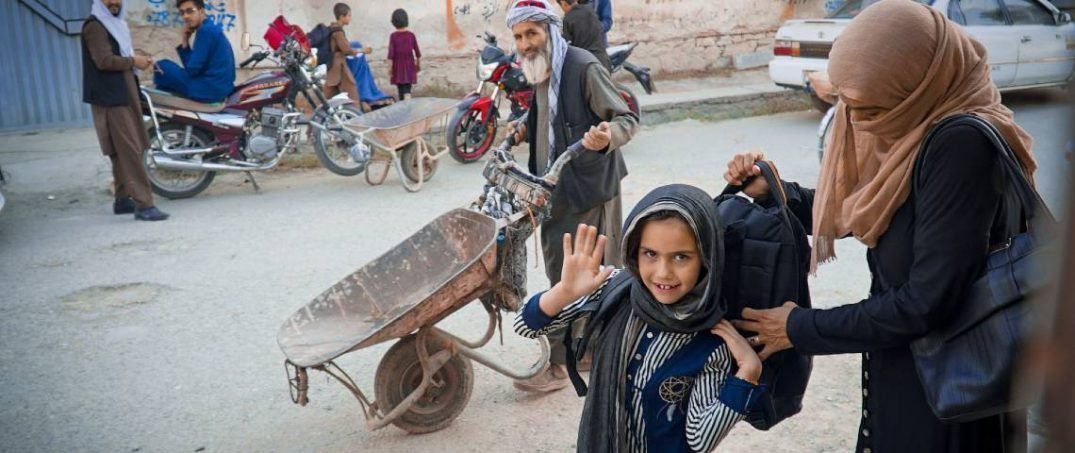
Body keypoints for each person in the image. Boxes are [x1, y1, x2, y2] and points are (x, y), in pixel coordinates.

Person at [723, 1, 1036, 451]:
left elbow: (926, 302)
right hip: (907, 370)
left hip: (952, 389)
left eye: (869, 109)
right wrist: (775, 190)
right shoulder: (917, 129)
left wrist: (799, 328)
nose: (856, 120)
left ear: (915, 88)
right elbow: (868, 211)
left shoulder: (959, 144)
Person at [514, 185, 764, 452]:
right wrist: (563, 293)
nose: (663, 272)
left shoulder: (711, 338)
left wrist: (748, 374)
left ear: (706, 259)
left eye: (681, 257)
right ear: (635, 251)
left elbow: (700, 440)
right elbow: (525, 326)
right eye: (650, 254)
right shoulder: (614, 290)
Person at [505, 0, 638, 393]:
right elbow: (548, 119)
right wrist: (521, 129)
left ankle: (561, 365)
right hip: (554, 187)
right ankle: (588, 350)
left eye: (532, 33)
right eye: (518, 36)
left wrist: (606, 136)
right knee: (563, 268)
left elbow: (626, 118)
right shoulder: (541, 68)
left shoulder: (581, 65)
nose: (526, 43)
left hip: (590, 188)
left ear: (550, 31)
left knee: (582, 273)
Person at [82, 0, 169, 221]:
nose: (114, 2)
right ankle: (144, 204)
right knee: (129, 149)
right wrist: (134, 61)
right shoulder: (95, 26)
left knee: (122, 150)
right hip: (111, 98)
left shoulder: (114, 24)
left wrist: (133, 60)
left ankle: (122, 200)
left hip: (122, 94)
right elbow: (104, 60)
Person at [153, 0, 235, 103]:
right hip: (219, 88)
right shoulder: (211, 28)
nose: (185, 16)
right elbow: (195, 68)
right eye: (182, 13)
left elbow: (192, 70)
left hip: (210, 90)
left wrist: (184, 41)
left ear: (201, 11)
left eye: (190, 11)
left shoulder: (205, 31)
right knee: (168, 71)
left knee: (161, 66)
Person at [323, 3, 372, 111]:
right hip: (338, 65)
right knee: (351, 87)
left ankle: (327, 112)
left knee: (330, 92)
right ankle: (356, 114)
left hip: (333, 65)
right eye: (349, 15)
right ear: (341, 16)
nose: (350, 18)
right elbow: (346, 49)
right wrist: (363, 50)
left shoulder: (332, 28)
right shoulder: (338, 31)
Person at [557, 0, 611, 71]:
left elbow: (567, 47)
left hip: (586, 66)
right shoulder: (590, 11)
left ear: (563, 3)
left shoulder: (568, 19)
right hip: (603, 61)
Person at [345, 40, 395, 109]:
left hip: (371, 96)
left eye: (359, 55)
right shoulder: (346, 74)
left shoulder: (364, 69)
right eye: (351, 57)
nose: (356, 58)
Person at [387, 9, 421, 101]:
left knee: (400, 89)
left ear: (393, 22)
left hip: (398, 68)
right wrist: (418, 65)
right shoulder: (411, 35)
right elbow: (418, 53)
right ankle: (408, 101)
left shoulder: (393, 36)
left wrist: (389, 69)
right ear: (406, 20)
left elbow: (390, 55)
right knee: (407, 88)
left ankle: (404, 104)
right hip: (410, 67)